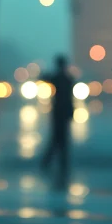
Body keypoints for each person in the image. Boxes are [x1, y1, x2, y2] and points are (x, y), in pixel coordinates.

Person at [39, 54, 75, 189]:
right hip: (64, 112)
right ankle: (59, 164)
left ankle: (47, 162)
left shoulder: (58, 78)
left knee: (57, 139)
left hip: (58, 112)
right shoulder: (68, 78)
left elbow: (43, 77)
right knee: (62, 139)